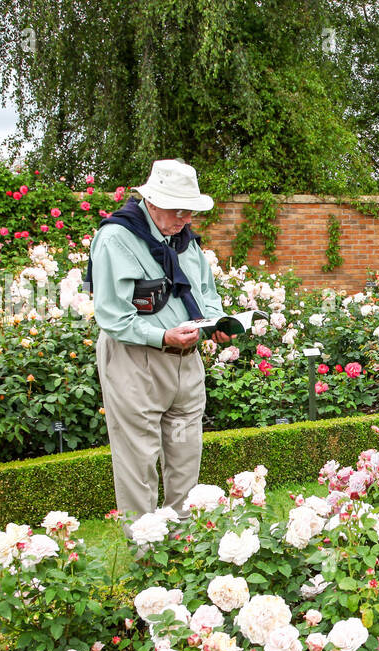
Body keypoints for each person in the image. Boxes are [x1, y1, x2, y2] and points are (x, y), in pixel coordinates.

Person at [87, 158, 233, 526]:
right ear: (151, 201)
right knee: (138, 462)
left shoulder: (185, 240)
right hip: (136, 364)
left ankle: (184, 548)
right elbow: (113, 316)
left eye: (190, 211)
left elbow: (206, 292)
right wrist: (162, 335)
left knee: (185, 454)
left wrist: (215, 321)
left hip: (186, 366)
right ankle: (145, 555)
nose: (185, 219)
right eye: (177, 209)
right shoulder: (117, 238)